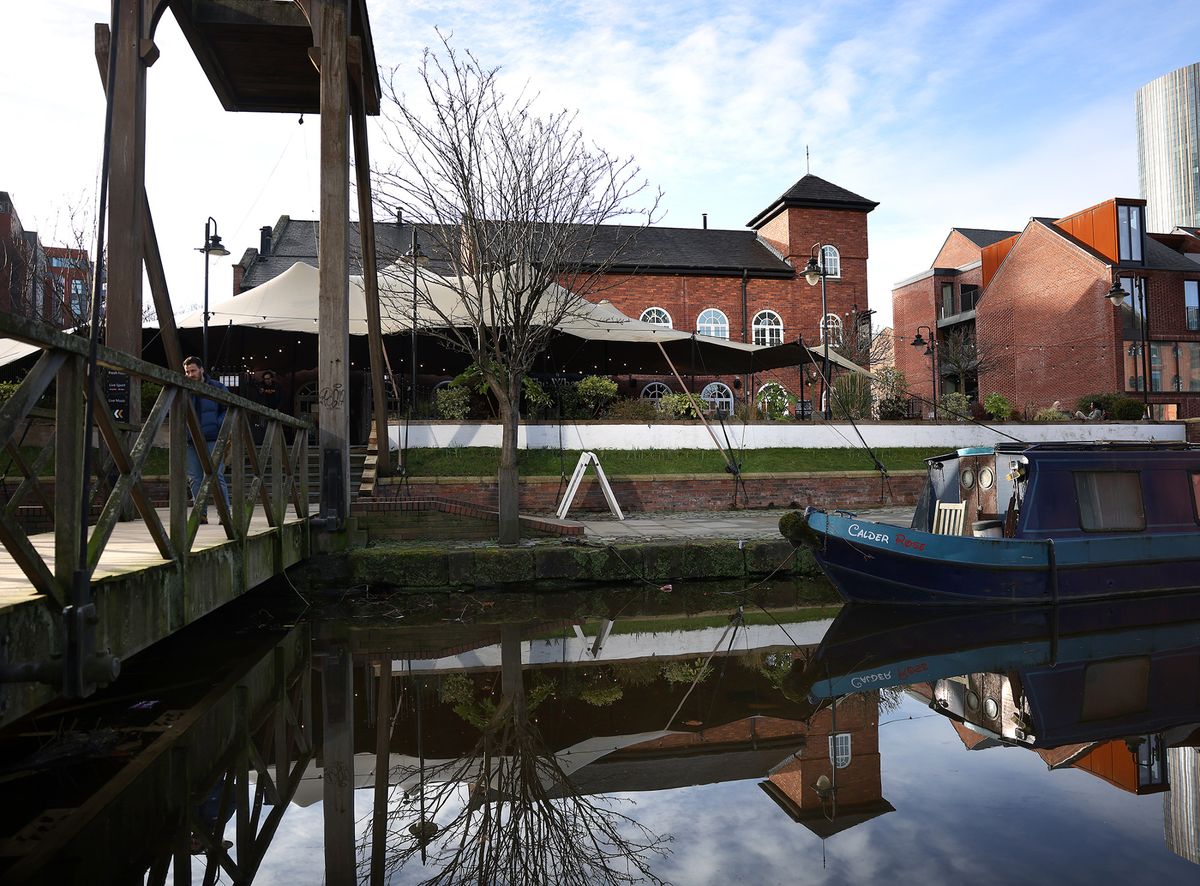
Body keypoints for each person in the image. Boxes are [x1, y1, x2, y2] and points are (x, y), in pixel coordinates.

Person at [183, 357, 230, 524]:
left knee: (216, 475)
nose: (190, 374)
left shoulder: (217, 387)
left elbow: (229, 409)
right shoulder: (184, 388)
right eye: (187, 371)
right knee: (195, 478)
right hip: (190, 439)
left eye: (193, 370)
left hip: (212, 436)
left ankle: (224, 514)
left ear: (202, 369)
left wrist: (218, 425)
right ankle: (200, 514)